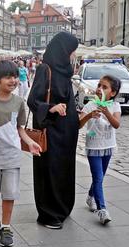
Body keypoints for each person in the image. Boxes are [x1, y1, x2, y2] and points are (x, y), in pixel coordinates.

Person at [0, 60, 41, 247]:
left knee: (10, 193)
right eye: (8, 77)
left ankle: (6, 228)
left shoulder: (19, 102)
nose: (13, 80)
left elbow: (19, 129)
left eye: (14, 76)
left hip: (12, 156)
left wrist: (30, 142)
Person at [27, 32, 79, 229]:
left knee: (64, 170)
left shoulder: (65, 71)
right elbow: (33, 100)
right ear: (63, 50)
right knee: (50, 171)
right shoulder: (45, 69)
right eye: (72, 50)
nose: (74, 54)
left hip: (67, 134)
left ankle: (63, 208)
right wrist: (51, 108)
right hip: (51, 132)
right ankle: (49, 214)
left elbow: (66, 99)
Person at [79, 75, 121, 225]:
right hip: (94, 147)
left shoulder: (115, 106)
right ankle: (102, 210)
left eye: (104, 87)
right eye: (99, 85)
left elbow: (116, 124)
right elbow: (78, 124)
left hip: (108, 146)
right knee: (97, 177)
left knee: (100, 177)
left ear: (113, 93)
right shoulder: (90, 105)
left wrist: (106, 112)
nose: (99, 89)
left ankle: (91, 196)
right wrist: (90, 115)